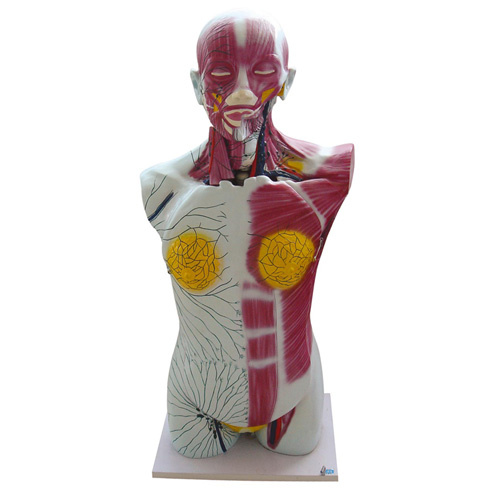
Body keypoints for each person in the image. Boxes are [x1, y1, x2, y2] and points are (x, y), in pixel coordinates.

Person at [141, 11, 354, 458]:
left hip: (292, 399)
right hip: (196, 399)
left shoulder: (327, 175)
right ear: (198, 85)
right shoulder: (161, 187)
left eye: (262, 72)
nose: (241, 93)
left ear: (286, 82)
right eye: (221, 73)